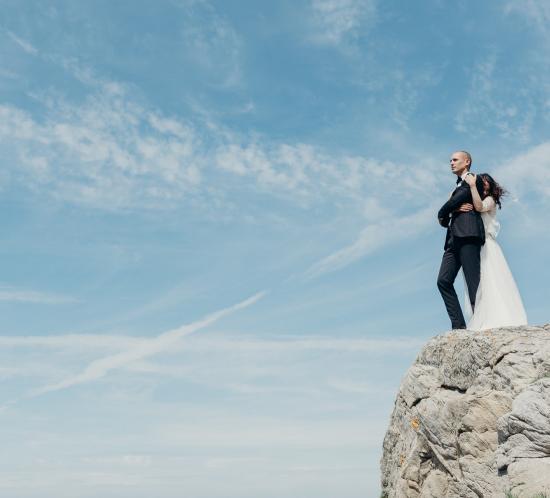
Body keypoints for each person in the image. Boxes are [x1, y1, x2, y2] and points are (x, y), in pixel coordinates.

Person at [458, 173, 528, 330]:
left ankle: (497, 316)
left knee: (492, 280)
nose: (482, 183)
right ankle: (481, 315)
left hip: (488, 245)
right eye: (479, 181)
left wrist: (472, 186)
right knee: (478, 282)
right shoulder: (474, 196)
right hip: (477, 243)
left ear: (489, 184)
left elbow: (479, 207)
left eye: (485, 181)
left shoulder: (489, 200)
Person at [436, 151, 486, 330]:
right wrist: (452, 211)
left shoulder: (473, 180)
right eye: (450, 160)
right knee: (443, 281)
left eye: (455, 160)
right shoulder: (457, 186)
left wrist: (445, 210)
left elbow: (448, 207)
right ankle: (458, 326)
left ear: (467, 162)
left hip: (468, 235)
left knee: (473, 283)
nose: (451, 162)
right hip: (452, 240)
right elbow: (443, 221)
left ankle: (482, 323)